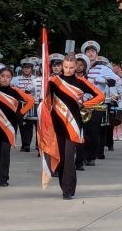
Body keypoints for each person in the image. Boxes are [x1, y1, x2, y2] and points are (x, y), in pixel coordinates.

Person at [40, 53, 105, 199]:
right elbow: (46, 101)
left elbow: (101, 96)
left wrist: (85, 104)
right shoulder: (54, 81)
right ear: (62, 66)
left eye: (71, 67)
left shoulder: (82, 82)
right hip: (56, 124)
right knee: (61, 158)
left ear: (76, 67)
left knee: (69, 157)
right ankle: (65, 186)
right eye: (66, 67)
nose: (68, 70)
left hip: (74, 124)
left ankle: (68, 190)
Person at [0, 67, 34, 186]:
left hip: (9, 126)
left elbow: (31, 101)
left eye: (8, 77)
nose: (5, 79)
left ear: (11, 78)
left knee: (5, 153)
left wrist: (21, 113)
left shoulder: (15, 91)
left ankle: (3, 179)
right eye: (3, 76)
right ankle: (1, 174)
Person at [11, 57, 41, 153]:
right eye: (25, 68)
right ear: (22, 68)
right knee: (24, 125)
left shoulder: (36, 79)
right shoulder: (15, 79)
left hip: (35, 103)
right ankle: (26, 144)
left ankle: (38, 144)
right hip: (22, 104)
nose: (27, 69)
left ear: (32, 68)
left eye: (29, 67)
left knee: (38, 124)